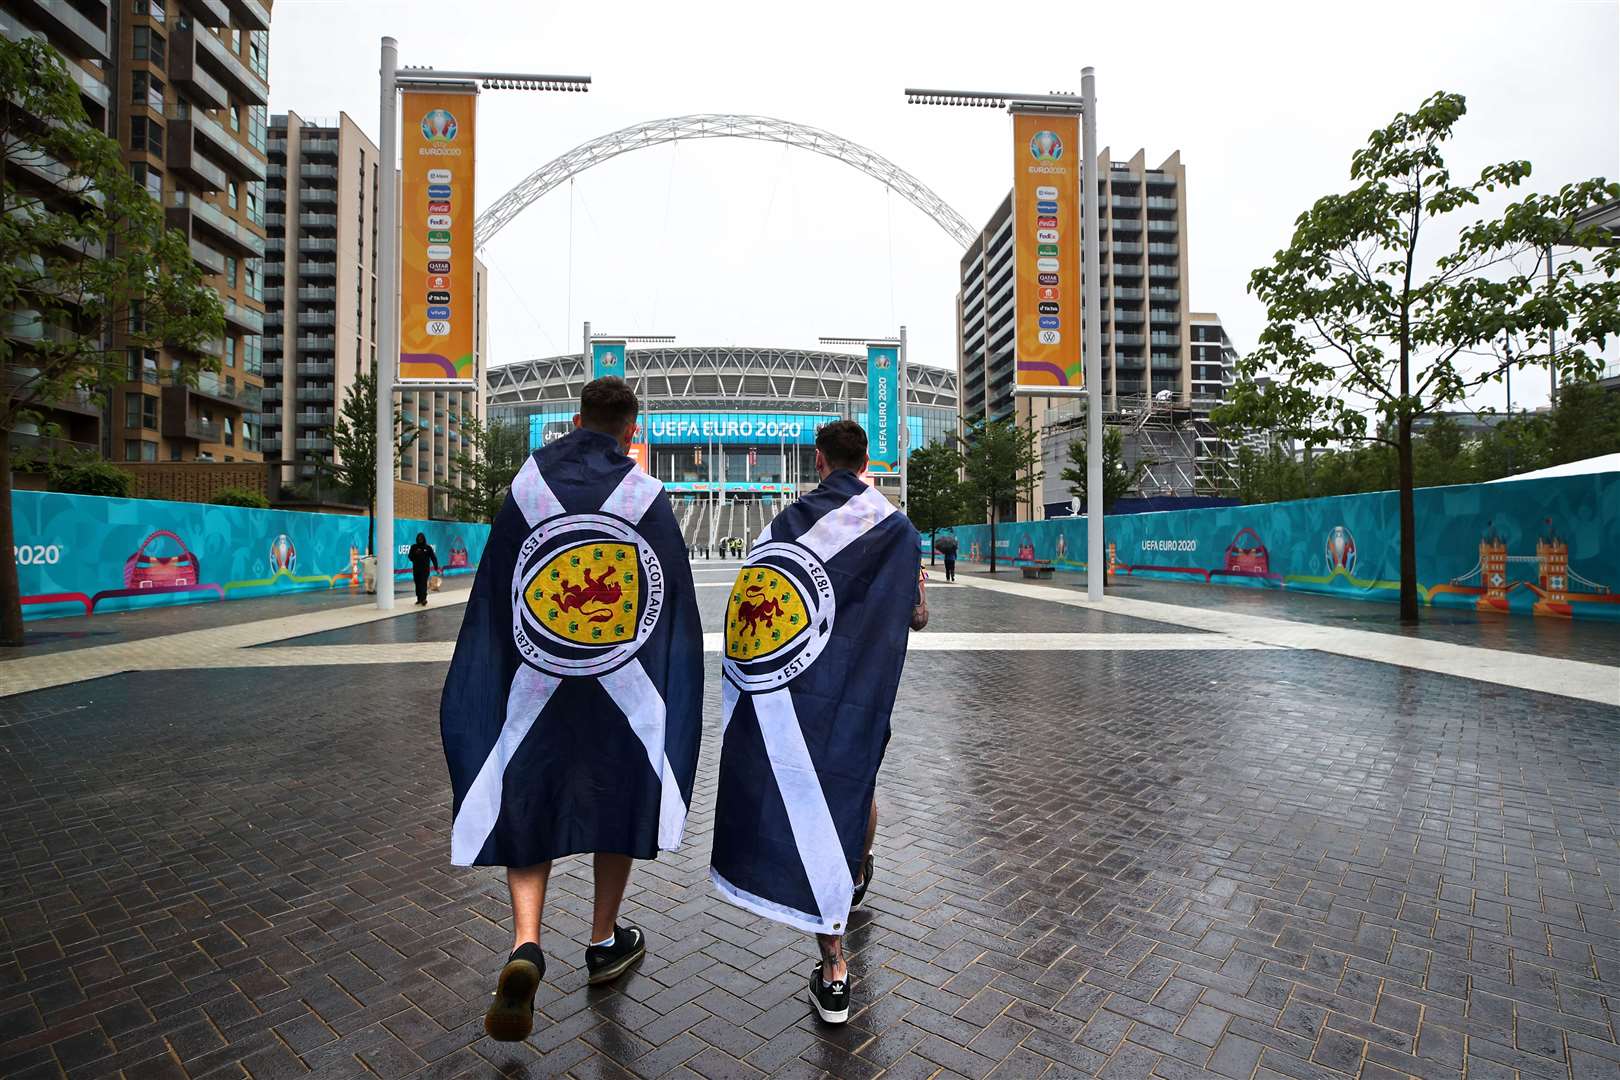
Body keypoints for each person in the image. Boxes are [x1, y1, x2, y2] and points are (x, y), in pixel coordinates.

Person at [440, 377, 703, 1042]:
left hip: (539, 679)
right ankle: (603, 940)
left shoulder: (529, 486)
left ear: (577, 418)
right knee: (616, 796)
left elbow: (499, 592)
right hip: (617, 681)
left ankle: (526, 942)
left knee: (529, 793)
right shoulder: (645, 496)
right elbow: (668, 599)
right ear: (630, 431)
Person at [710, 420, 927, 1025]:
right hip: (858, 697)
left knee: (809, 800)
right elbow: (917, 617)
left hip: (796, 695)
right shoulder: (897, 529)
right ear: (865, 461)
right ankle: (853, 876)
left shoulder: (784, 524)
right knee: (856, 787)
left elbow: (752, 611)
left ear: (820, 460)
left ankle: (833, 968)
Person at [408, 533, 440, 605]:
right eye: (419, 539)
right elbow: (410, 557)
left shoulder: (428, 548)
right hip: (416, 569)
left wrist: (436, 567)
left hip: (425, 569)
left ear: (424, 539)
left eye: (421, 539)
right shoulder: (414, 547)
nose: (420, 540)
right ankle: (419, 598)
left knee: (423, 583)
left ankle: (424, 599)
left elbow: (433, 557)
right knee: (417, 584)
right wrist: (415, 553)